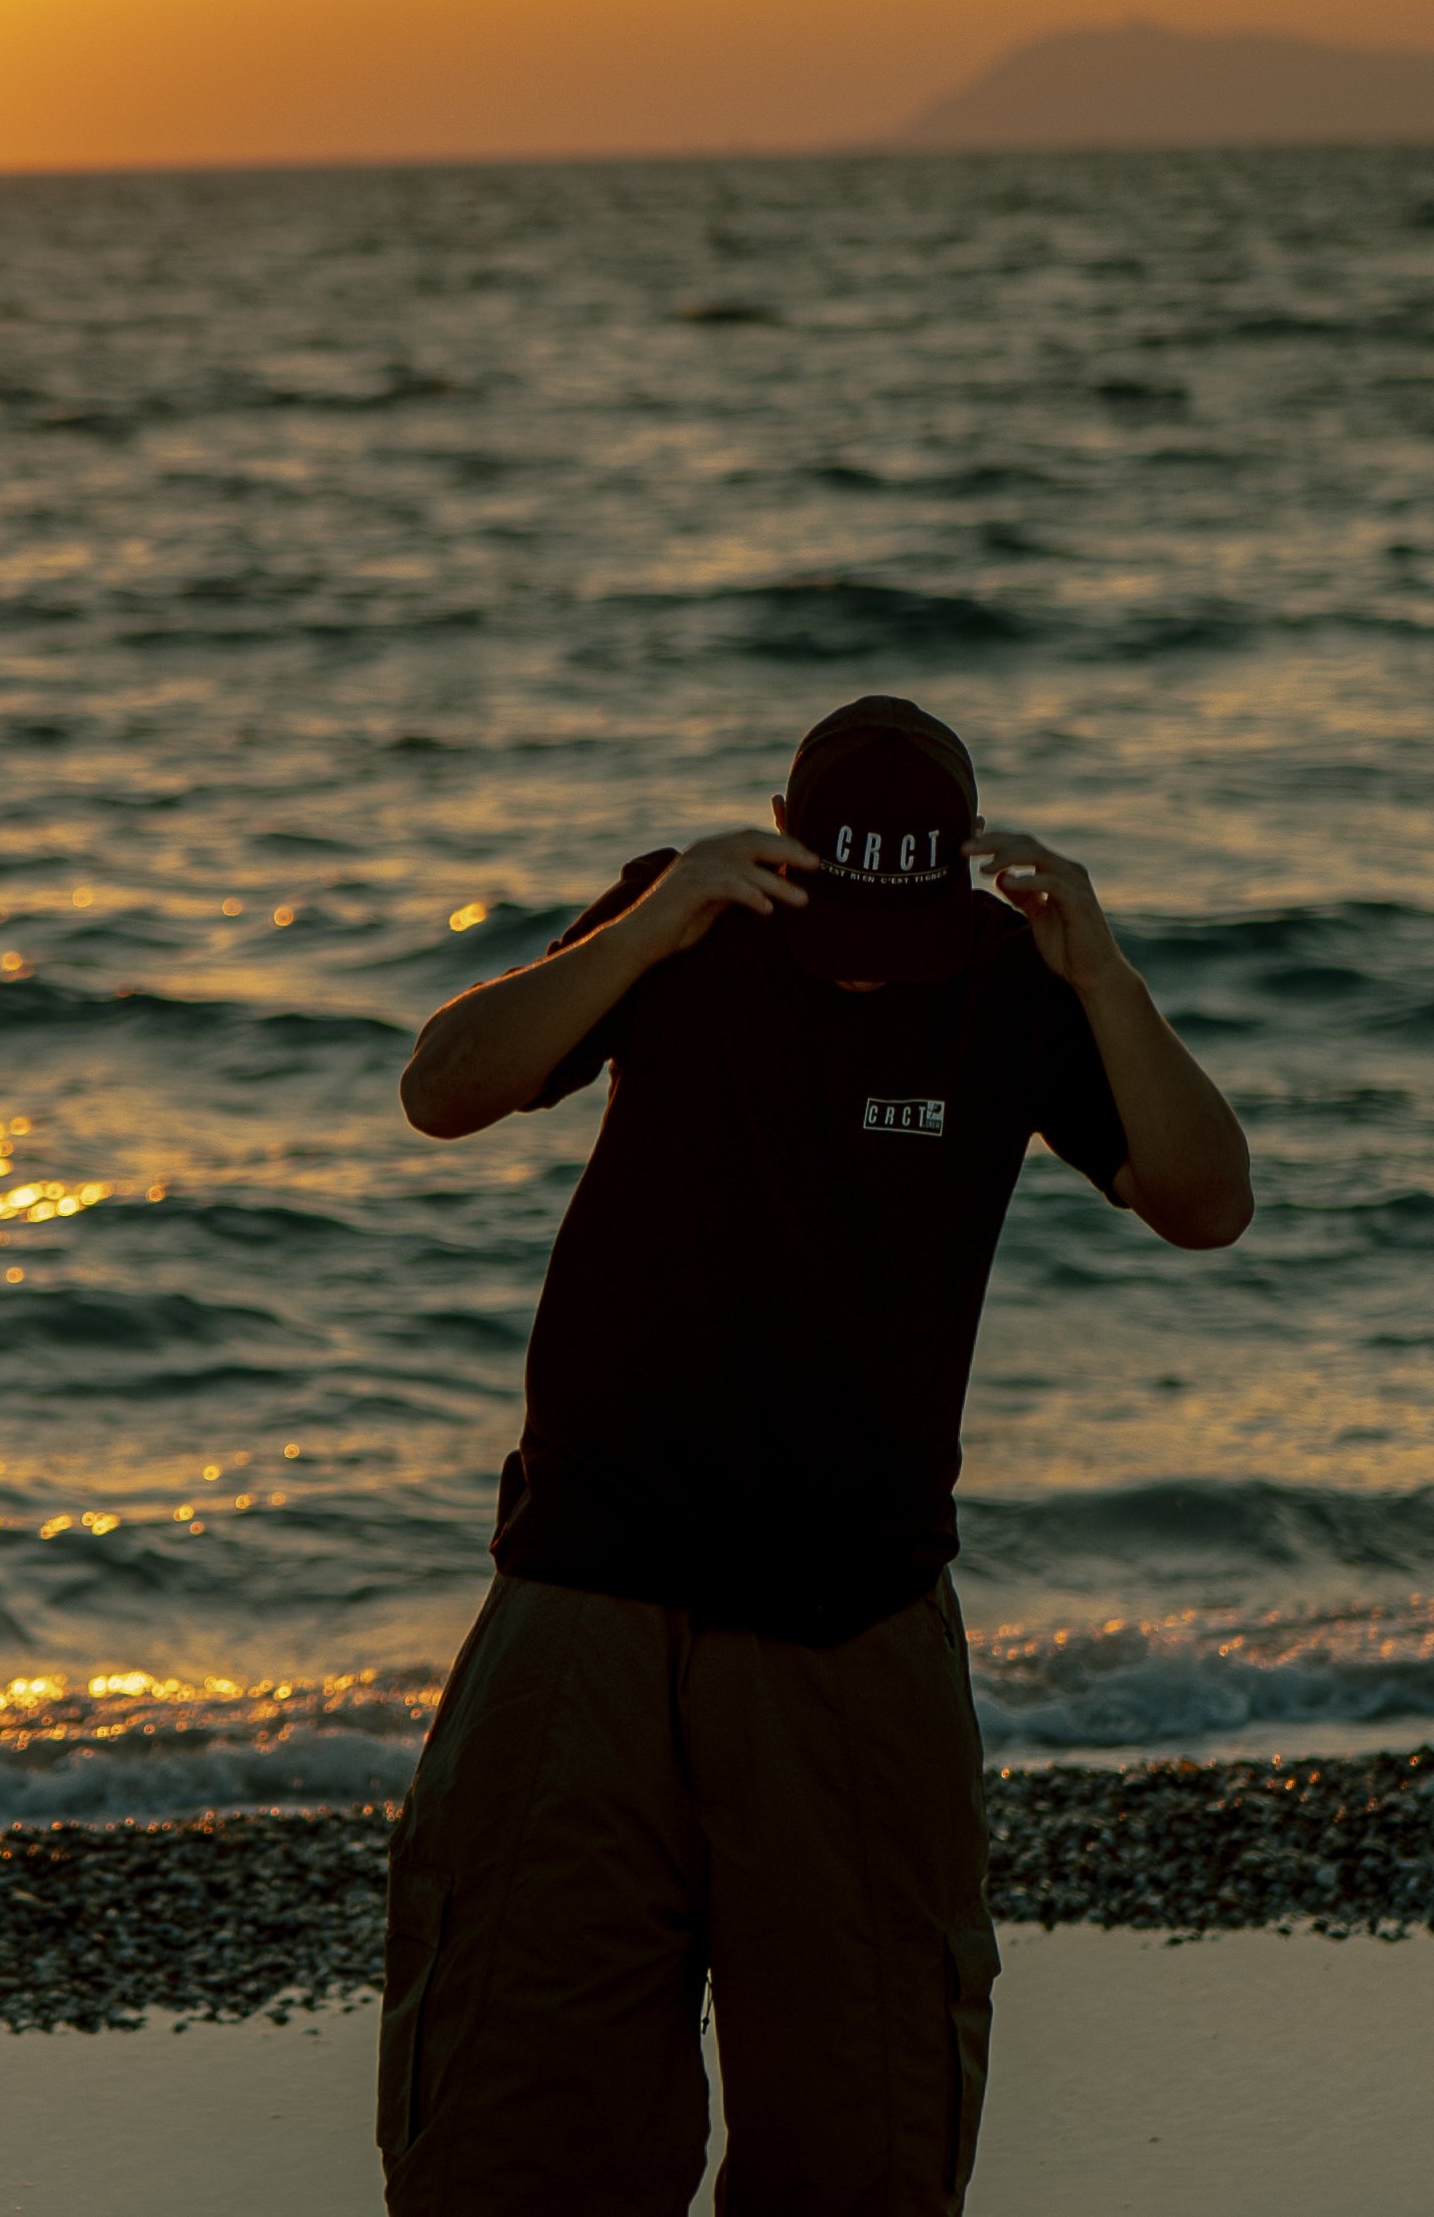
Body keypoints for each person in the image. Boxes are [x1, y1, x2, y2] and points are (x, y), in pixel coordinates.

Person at [377, 693, 1252, 2217]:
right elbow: (443, 1089)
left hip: (856, 1622)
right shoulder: (686, 930)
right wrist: (644, 928)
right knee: (516, 2130)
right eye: (836, 912)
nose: (862, 958)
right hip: (588, 1593)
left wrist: (1102, 973)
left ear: (960, 879)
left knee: (866, 2144)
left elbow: (1201, 1198)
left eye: (896, 923)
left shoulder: (1005, 981)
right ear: (782, 855)